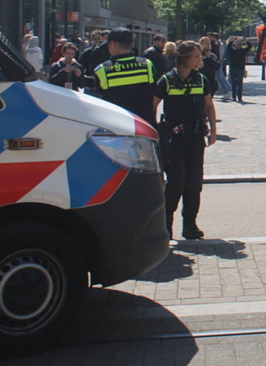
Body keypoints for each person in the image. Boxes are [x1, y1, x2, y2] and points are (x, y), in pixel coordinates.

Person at [154, 41, 217, 240]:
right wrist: (156, 133)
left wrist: (214, 131)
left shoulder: (201, 80)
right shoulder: (166, 80)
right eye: (196, 56)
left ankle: (190, 225)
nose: (200, 60)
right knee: (176, 183)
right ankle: (165, 226)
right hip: (174, 139)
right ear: (184, 57)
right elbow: (152, 106)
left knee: (194, 182)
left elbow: (209, 106)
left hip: (196, 137)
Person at [93, 27, 157, 127]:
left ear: (112, 44)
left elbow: (100, 99)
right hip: (145, 126)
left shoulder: (102, 70)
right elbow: (154, 93)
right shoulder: (147, 64)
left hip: (117, 127)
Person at [226, 36, 252, 102]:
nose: (238, 45)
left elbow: (249, 46)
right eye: (237, 43)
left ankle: (239, 97)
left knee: (240, 84)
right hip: (233, 68)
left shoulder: (243, 51)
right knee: (234, 84)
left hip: (240, 69)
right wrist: (232, 41)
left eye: (240, 44)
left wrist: (246, 41)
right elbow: (228, 47)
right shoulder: (232, 51)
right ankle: (234, 97)